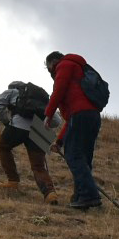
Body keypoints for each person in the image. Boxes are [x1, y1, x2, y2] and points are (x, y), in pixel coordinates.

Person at [42, 51, 103, 209]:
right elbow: (71, 120)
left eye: (49, 69)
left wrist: (48, 114)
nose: (50, 73)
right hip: (92, 116)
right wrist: (60, 141)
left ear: (53, 62)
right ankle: (80, 198)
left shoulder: (64, 65)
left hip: (80, 115)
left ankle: (89, 195)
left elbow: (59, 90)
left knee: (74, 156)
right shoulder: (79, 70)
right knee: (83, 159)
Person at [0, 80, 61, 202]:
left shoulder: (12, 92)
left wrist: (6, 122)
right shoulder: (42, 99)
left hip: (17, 126)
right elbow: (56, 120)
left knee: (3, 147)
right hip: (38, 130)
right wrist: (43, 125)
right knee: (38, 166)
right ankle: (50, 193)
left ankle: (12, 181)